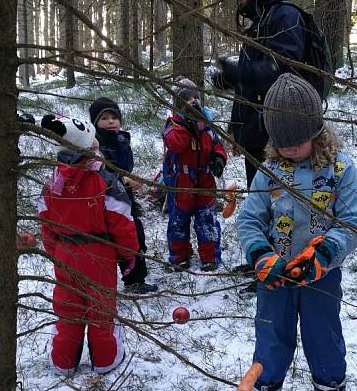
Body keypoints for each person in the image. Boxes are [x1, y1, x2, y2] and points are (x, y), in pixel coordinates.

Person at [236, 73, 357, 391]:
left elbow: (352, 220)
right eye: (281, 143)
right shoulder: (270, 171)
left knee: (324, 343)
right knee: (271, 346)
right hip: (274, 281)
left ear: (317, 130)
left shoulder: (340, 170)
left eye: (296, 141)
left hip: (320, 280)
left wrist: (324, 254)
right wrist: (262, 256)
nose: (288, 149)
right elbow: (249, 219)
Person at [38, 115, 139, 375]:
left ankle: (63, 361)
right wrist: (128, 255)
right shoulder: (104, 180)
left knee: (68, 306)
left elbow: (45, 220)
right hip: (98, 253)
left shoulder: (53, 180)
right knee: (101, 308)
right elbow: (121, 221)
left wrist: (55, 252)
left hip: (65, 251)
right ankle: (106, 360)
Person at [215, 0, 309, 188]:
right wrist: (237, 128)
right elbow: (250, 83)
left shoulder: (286, 17)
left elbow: (287, 70)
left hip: (283, 133)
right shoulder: (260, 24)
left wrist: (240, 75)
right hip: (257, 134)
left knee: (283, 204)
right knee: (260, 202)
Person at [89, 96, 158, 295]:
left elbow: (126, 167)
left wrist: (130, 179)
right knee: (115, 240)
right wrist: (123, 180)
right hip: (108, 202)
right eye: (104, 118)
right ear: (95, 123)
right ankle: (109, 282)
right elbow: (101, 170)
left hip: (126, 198)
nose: (110, 122)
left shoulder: (122, 140)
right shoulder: (97, 145)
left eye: (114, 117)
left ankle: (135, 279)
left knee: (135, 235)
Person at [162, 83, 228, 271]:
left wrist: (218, 157)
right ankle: (179, 255)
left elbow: (218, 144)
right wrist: (188, 125)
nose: (194, 103)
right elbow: (175, 144)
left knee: (207, 218)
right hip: (182, 180)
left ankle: (209, 256)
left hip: (205, 179)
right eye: (188, 101)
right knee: (179, 220)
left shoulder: (206, 125)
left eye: (196, 99)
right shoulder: (173, 125)